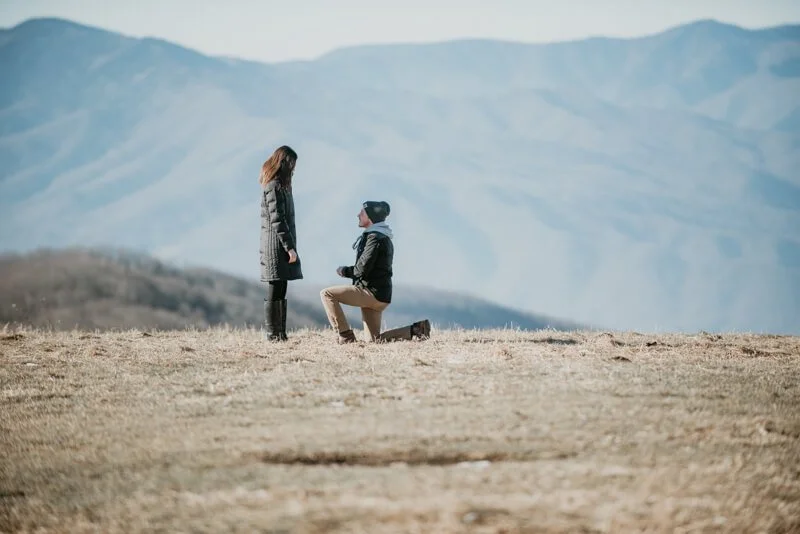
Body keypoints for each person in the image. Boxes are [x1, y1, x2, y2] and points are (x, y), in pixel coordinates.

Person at [320, 201, 431, 344]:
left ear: (371, 217)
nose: (358, 215)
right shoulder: (379, 236)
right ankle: (416, 330)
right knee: (374, 341)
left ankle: (345, 336)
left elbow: (361, 269)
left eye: (362, 213)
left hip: (370, 293)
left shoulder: (375, 238)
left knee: (327, 294)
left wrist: (344, 271)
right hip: (380, 295)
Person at [259, 145, 302, 341]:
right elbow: (278, 220)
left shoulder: (281, 186)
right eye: (292, 163)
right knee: (275, 287)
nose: (294, 168)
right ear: (284, 162)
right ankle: (273, 334)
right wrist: (289, 247)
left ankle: (280, 333)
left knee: (281, 286)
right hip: (276, 246)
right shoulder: (274, 187)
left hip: (280, 245)